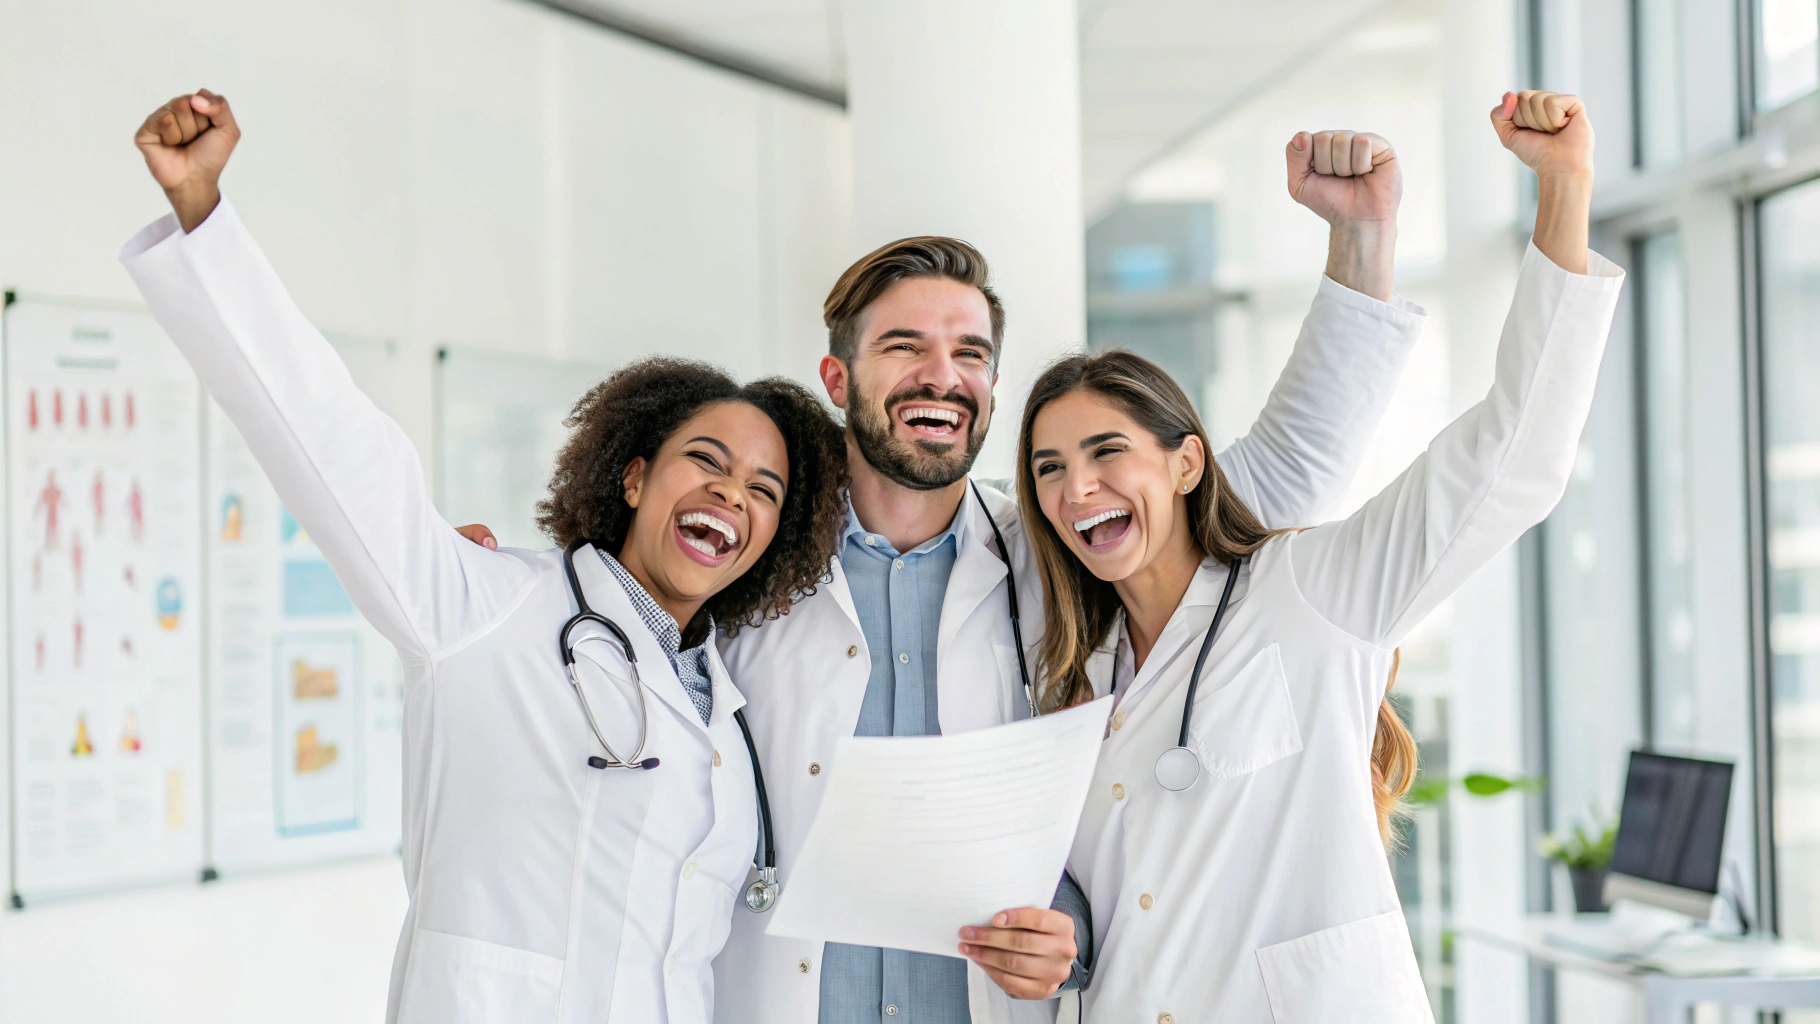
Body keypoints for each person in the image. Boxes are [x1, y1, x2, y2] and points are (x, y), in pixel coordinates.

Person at [456, 121, 1428, 1022]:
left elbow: (1278, 471)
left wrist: (1359, 241)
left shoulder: (1058, 565)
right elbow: (627, 596)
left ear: (993, 386)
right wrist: (509, 583)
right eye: (903, 347)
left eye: (969, 353)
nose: (941, 374)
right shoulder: (752, 565)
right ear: (838, 381)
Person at [123, 90, 849, 1024]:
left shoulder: (724, 706)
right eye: (704, 461)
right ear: (633, 478)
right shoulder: (486, 607)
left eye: (763, 489)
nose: (730, 495)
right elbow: (331, 445)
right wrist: (205, 216)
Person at [1016, 91, 1621, 1022]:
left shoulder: (1306, 593)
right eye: (1050, 469)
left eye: (1107, 453)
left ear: (1186, 462)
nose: (1076, 490)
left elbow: (1512, 462)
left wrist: (1563, 189)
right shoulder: (1075, 674)